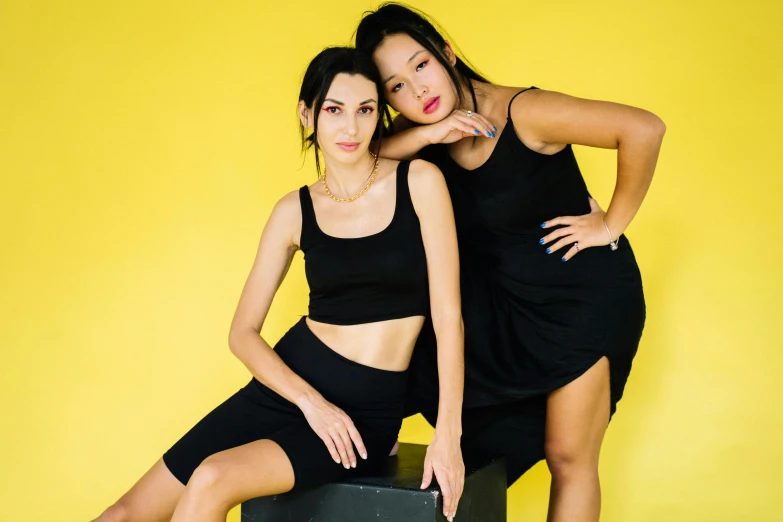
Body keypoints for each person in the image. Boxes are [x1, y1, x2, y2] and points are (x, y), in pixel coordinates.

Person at [91, 46, 465, 522]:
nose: (350, 128)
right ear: (308, 116)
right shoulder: (294, 210)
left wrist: (447, 434)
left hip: (363, 413)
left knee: (212, 479)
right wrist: (311, 402)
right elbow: (241, 333)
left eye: (365, 110)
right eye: (334, 110)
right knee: (121, 514)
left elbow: (448, 317)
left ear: (378, 116)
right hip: (291, 388)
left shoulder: (420, 182)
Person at [355, 4, 666, 521]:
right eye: (395, 88)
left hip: (579, 304)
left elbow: (644, 129)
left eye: (421, 66)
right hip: (504, 311)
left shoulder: (524, 112)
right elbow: (361, 165)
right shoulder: (427, 137)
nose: (417, 90)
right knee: (428, 403)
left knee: (568, 456)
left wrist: (611, 224)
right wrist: (428, 135)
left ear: (447, 54)